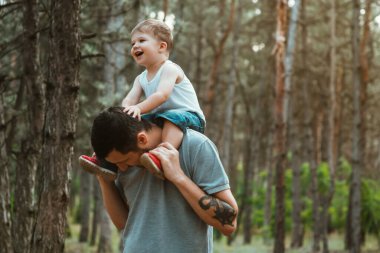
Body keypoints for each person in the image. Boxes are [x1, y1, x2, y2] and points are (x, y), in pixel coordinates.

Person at [91, 106, 238, 253]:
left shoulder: (195, 146)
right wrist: (104, 180)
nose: (122, 168)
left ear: (142, 139)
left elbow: (229, 224)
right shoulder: (121, 161)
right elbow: (124, 223)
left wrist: (178, 177)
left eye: (125, 160)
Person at [79, 19, 205, 181]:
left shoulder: (170, 69)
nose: (135, 46)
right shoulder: (141, 78)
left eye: (141, 41)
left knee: (172, 119)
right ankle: (106, 162)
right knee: (129, 128)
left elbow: (162, 95)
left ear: (162, 46)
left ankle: (163, 157)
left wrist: (139, 108)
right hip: (161, 118)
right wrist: (123, 116)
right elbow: (129, 100)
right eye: (133, 43)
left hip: (189, 117)